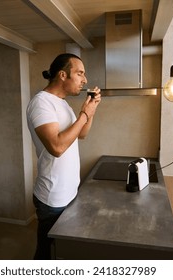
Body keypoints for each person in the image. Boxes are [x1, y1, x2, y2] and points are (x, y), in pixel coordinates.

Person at [26, 53, 101, 259]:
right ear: (62, 75)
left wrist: (90, 112)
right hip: (52, 197)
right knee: (47, 254)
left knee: (63, 252)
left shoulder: (63, 104)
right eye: (79, 73)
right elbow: (57, 147)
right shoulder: (41, 103)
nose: (85, 80)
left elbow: (81, 134)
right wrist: (84, 114)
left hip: (68, 192)